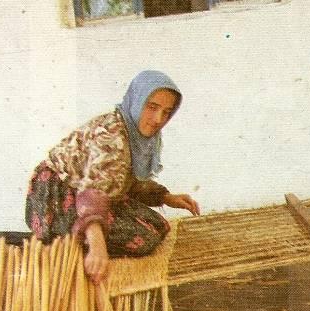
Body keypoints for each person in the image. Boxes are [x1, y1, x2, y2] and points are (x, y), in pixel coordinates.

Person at [25, 70, 200, 284]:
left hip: (92, 191)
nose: (158, 119)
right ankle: (64, 237)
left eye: (166, 112)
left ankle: (75, 233)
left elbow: (123, 178)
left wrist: (165, 197)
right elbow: (93, 191)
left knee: (158, 224)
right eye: (152, 107)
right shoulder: (112, 136)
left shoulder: (138, 133)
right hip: (56, 196)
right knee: (145, 237)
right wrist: (97, 247)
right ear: (137, 100)